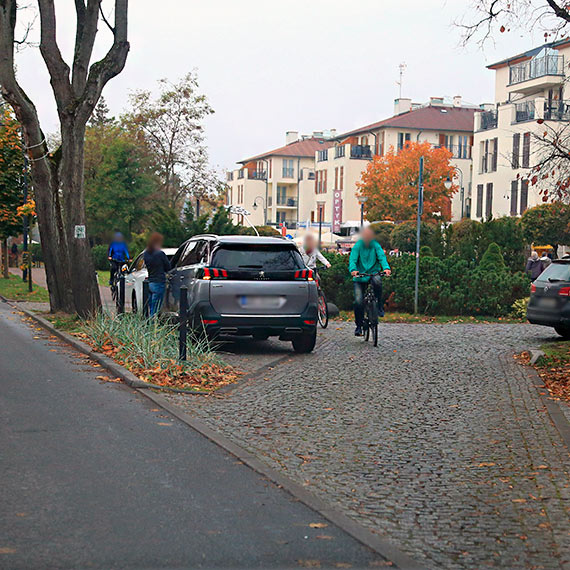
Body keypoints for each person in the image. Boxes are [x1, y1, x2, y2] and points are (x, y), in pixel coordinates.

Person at [348, 227, 391, 336]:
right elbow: (352, 259)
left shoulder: (375, 245)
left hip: (373, 273)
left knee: (377, 282)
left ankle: (379, 305)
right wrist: (353, 270)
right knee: (358, 301)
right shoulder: (358, 246)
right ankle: (358, 326)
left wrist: (386, 268)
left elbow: (381, 256)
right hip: (360, 276)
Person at [143, 232, 171, 317]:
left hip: (150, 282)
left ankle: (149, 324)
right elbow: (168, 267)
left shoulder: (146, 253)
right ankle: (152, 326)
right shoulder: (160, 254)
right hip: (159, 282)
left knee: (151, 306)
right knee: (155, 309)